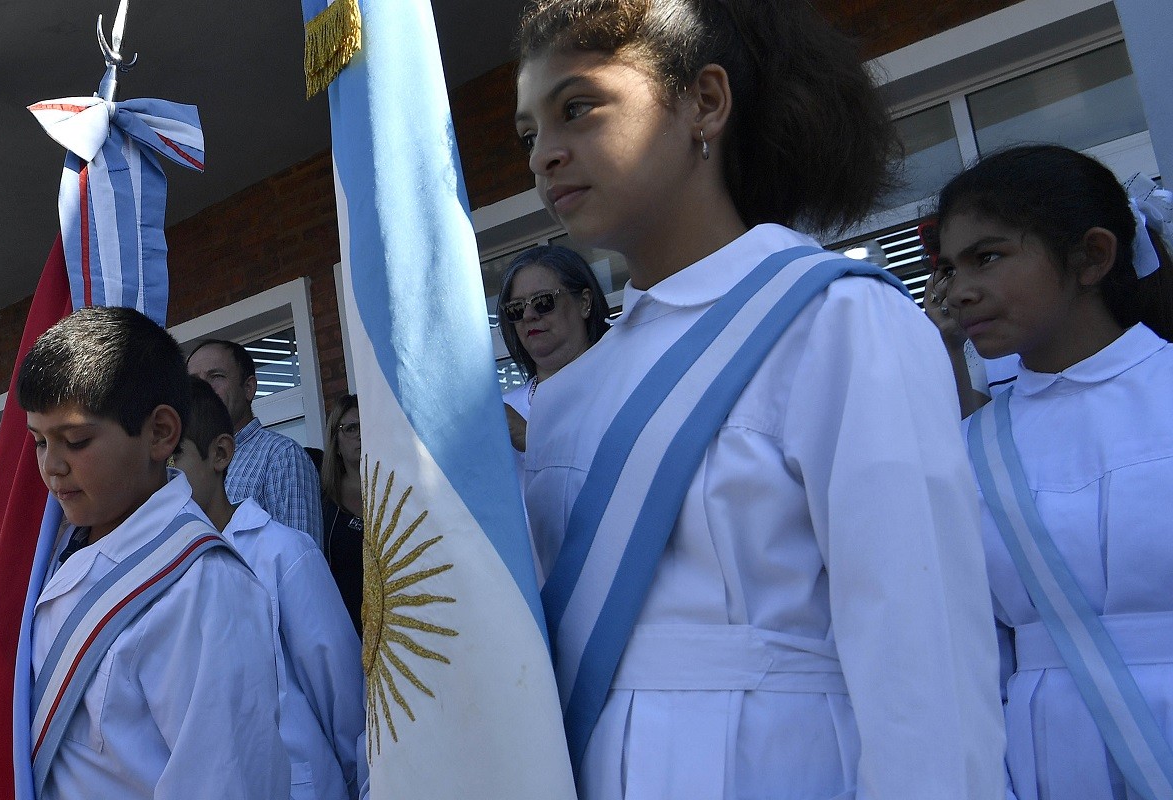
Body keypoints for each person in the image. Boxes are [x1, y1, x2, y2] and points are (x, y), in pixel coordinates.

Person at [514, 0, 1003, 796]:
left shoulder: (838, 321)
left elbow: (924, 662)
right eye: (529, 135)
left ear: (704, 101)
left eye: (578, 108)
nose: (543, 157)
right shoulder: (569, 396)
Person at [933, 144, 1173, 800]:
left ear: (1092, 256)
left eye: (988, 257)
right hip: (1040, 759)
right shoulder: (967, 447)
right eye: (949, 268)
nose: (960, 290)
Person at [20, 306, 289, 799]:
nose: (51, 466)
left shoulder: (201, 587)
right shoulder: (55, 558)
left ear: (161, 433)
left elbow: (226, 782)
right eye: (38, 441)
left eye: (75, 440)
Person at [176, 378, 367, 800]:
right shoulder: (159, 569)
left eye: (174, 456)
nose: (160, 478)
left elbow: (340, 694)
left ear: (220, 454)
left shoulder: (283, 552)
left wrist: (360, 784)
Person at [187, 339, 325, 544]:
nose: (203, 389)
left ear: (249, 388)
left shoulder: (282, 456)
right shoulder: (187, 462)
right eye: (194, 381)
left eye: (216, 376)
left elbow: (301, 564)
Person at [496, 244, 611, 452]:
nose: (528, 315)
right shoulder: (502, 413)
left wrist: (531, 439)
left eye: (543, 301)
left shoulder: (624, 387)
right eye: (516, 308)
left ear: (584, 302)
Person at [316, 395, 365, 632]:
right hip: (347, 628)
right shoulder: (324, 501)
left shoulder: (398, 488)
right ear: (335, 441)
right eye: (351, 428)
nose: (360, 434)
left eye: (365, 424)